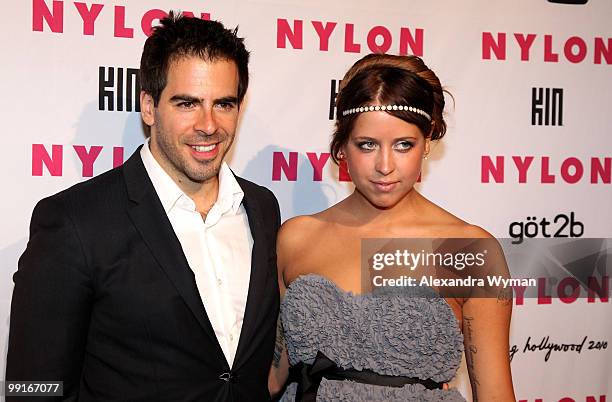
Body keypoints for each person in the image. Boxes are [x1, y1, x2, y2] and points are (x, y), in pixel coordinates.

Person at [7, 12, 280, 402]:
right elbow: (30, 390)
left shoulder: (262, 209)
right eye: (187, 103)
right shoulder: (74, 222)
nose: (209, 124)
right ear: (149, 107)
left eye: (224, 103)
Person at [268, 54, 516, 401]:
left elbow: (495, 394)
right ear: (342, 146)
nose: (385, 166)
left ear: (427, 141)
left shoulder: (470, 250)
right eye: (367, 145)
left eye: (403, 145)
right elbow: (273, 377)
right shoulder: (296, 237)